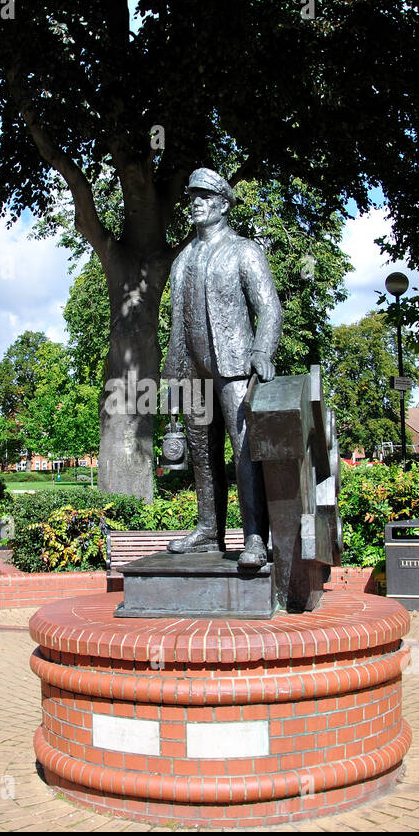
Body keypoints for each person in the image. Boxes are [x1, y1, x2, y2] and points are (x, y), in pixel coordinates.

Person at [163, 167, 282, 569]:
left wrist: (262, 351)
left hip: (233, 367)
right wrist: (173, 374)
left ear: (223, 204)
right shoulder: (182, 260)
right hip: (193, 370)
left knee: (246, 450)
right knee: (202, 454)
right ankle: (208, 531)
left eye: (204, 197)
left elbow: (269, 308)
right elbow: (176, 323)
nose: (195, 203)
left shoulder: (244, 250)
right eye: (191, 197)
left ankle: (254, 538)